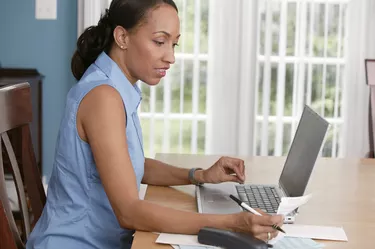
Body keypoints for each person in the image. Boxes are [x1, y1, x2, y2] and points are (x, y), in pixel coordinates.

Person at [26, 0, 283, 248]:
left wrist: (199, 175)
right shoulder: (103, 97)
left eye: (174, 44)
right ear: (122, 37)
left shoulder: (115, 86)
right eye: (160, 42)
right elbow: (129, 211)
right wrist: (231, 223)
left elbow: (131, 165)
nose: (170, 57)